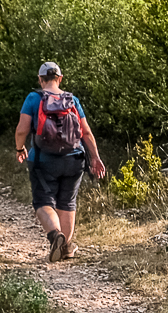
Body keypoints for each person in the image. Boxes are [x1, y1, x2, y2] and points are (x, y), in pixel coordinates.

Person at [13, 61, 106, 262]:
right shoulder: (72, 100)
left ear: (40, 79)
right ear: (60, 78)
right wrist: (95, 158)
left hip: (43, 160)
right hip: (74, 159)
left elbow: (22, 129)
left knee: (43, 201)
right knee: (67, 202)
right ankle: (66, 248)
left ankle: (56, 235)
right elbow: (86, 132)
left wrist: (20, 148)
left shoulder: (33, 98)